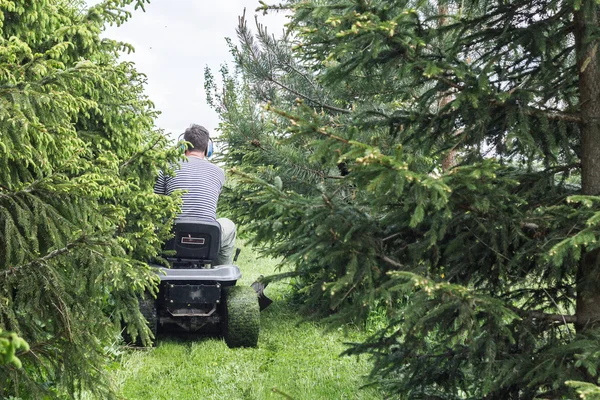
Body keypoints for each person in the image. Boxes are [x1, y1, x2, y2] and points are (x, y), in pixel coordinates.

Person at [154, 124, 236, 265]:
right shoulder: (219, 172)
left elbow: (156, 202)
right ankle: (221, 274)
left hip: (172, 234)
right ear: (208, 149)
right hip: (207, 235)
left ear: (183, 146)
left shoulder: (166, 166)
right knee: (229, 225)